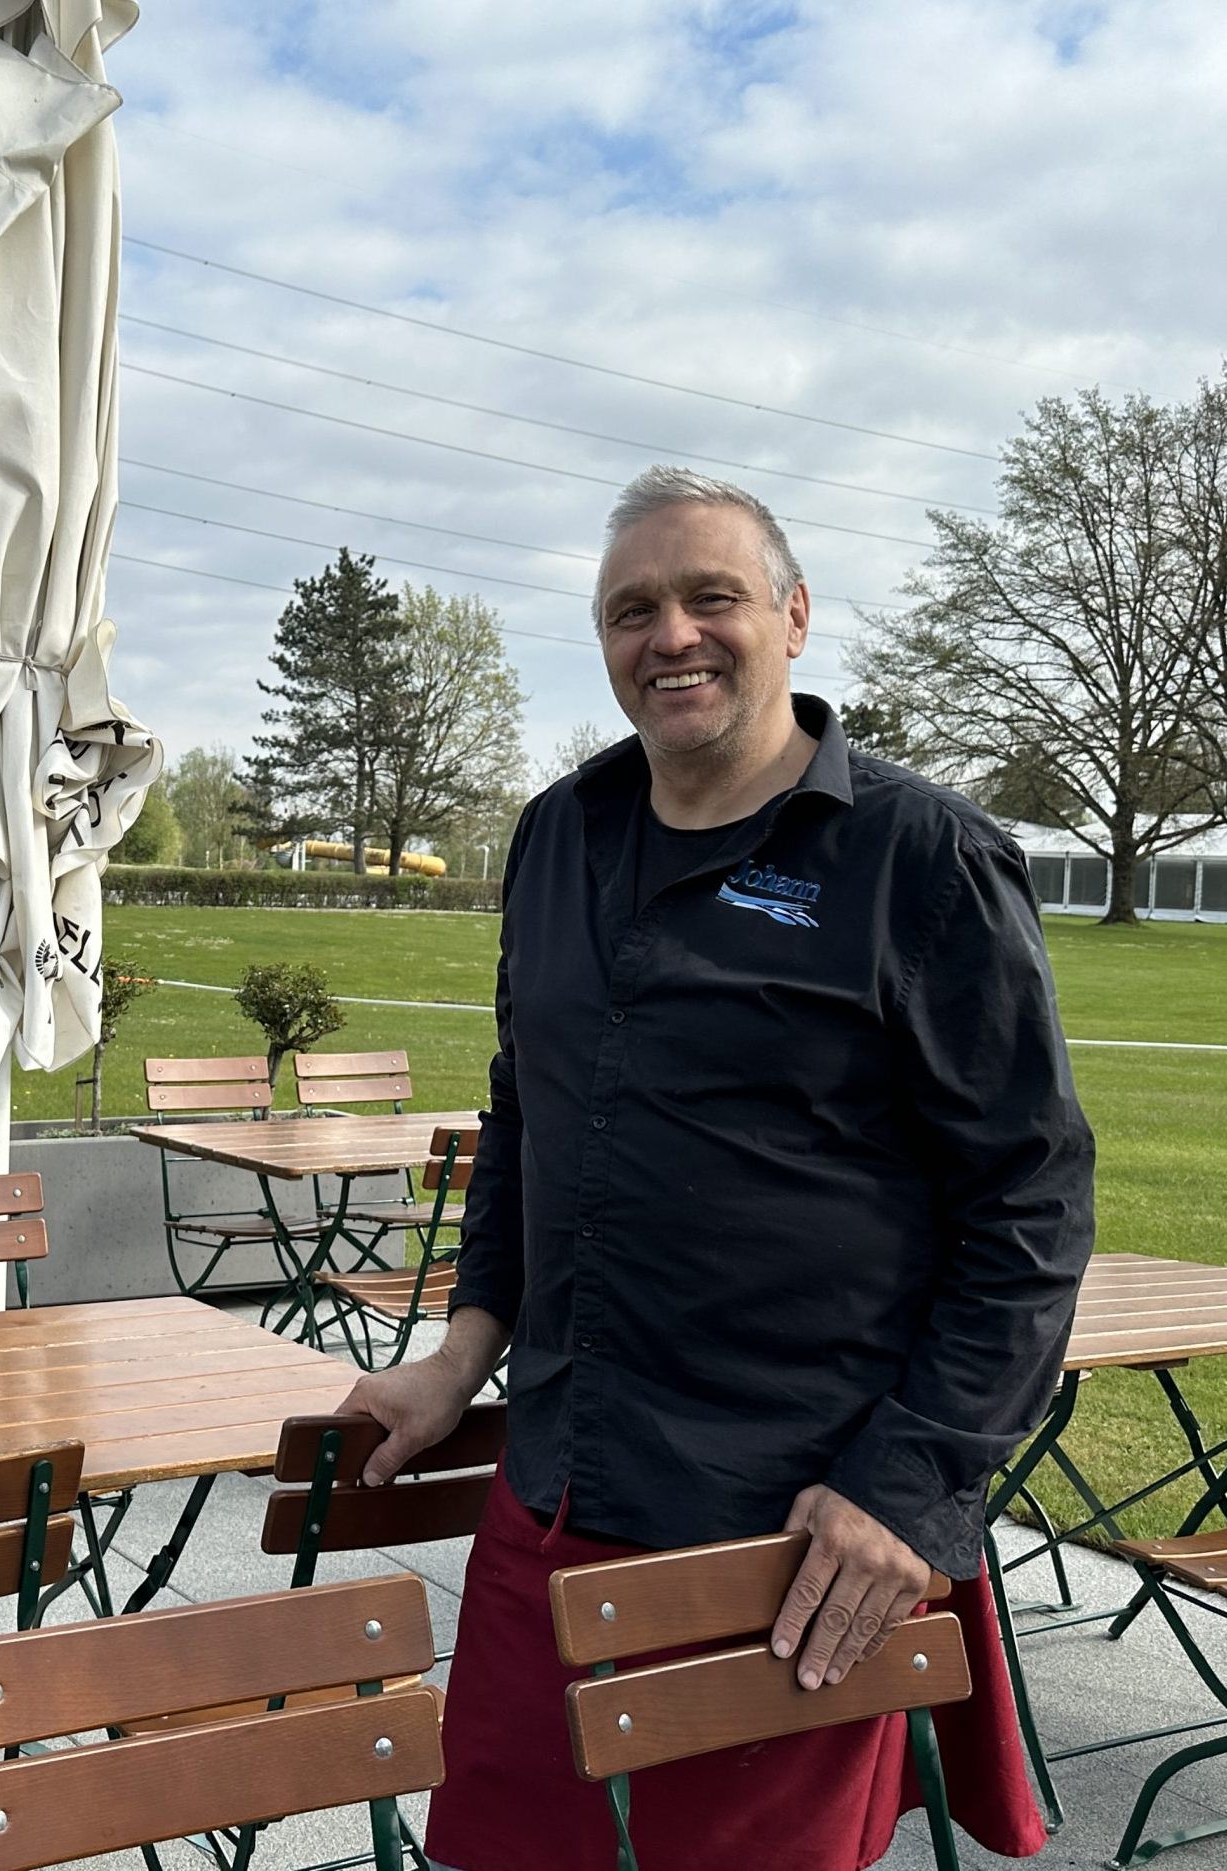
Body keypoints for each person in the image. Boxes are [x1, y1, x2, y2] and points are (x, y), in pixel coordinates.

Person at [340, 464, 1096, 1871]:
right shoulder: (557, 835)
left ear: (793, 618)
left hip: (793, 1539)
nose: (671, 635)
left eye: (711, 597)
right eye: (632, 610)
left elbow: (1030, 1207)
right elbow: (528, 1121)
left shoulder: (922, 860)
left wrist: (909, 1485)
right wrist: (458, 1355)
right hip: (557, 1495)